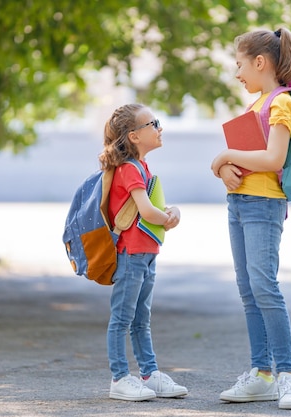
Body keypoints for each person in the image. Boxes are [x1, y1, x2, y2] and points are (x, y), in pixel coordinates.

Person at [210, 27, 291, 410]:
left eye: (240, 65)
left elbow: (273, 160)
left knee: (265, 287)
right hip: (240, 204)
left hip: (262, 207)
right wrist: (226, 168)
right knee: (249, 291)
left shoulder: (281, 103)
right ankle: (262, 374)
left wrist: (225, 155)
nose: (237, 74)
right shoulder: (256, 105)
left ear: (260, 62)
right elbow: (249, 163)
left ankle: (287, 376)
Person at [99, 103, 187, 401]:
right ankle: (120, 378)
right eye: (153, 123)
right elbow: (148, 211)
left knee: (141, 320)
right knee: (122, 319)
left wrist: (169, 211)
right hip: (132, 255)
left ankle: (149, 375)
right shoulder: (128, 169)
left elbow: (149, 209)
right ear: (134, 136)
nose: (160, 128)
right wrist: (169, 217)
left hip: (147, 255)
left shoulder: (142, 167)